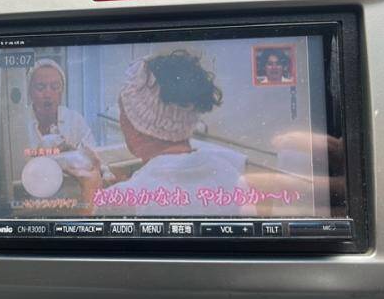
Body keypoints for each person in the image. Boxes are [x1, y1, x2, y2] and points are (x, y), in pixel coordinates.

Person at [68, 50, 254, 216]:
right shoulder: (233, 175)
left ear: (138, 126)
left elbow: (89, 239)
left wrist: (91, 193)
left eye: (123, 112)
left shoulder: (126, 197)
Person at [25, 59, 95, 151]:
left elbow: (92, 154)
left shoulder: (74, 120)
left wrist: (72, 153)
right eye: (40, 87)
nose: (48, 94)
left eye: (55, 87)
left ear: (62, 91)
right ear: (30, 92)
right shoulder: (20, 123)